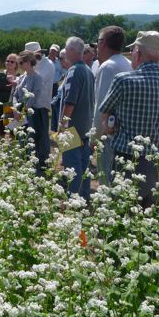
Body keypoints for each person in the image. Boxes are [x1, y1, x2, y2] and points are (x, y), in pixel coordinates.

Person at [100, 31, 159, 209]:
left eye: (133, 50)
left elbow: (105, 114)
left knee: (124, 211)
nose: (132, 54)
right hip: (157, 159)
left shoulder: (124, 80)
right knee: (151, 212)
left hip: (127, 159)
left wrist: (109, 126)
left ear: (138, 53)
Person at [92, 26, 132, 185]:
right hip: (125, 131)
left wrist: (95, 136)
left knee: (106, 177)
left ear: (103, 43)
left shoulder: (108, 66)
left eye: (98, 41)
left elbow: (102, 105)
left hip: (109, 132)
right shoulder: (128, 63)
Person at [60, 36, 95, 201]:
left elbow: (70, 100)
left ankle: (73, 199)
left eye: (66, 49)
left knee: (72, 165)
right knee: (84, 165)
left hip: (73, 126)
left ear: (72, 51)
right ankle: (85, 196)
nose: (65, 53)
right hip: (86, 124)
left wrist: (63, 125)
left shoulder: (74, 70)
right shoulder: (88, 70)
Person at [12, 50, 50, 175]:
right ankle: (24, 166)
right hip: (20, 113)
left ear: (28, 62)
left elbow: (35, 96)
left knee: (32, 141)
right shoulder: (22, 77)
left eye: (21, 63)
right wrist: (15, 109)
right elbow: (15, 95)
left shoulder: (37, 78)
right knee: (22, 140)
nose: (20, 65)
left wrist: (23, 110)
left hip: (32, 115)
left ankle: (35, 169)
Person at [0, 53, 20, 137]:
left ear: (16, 64)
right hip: (0, 105)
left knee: (13, 130)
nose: (9, 63)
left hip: (13, 106)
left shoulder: (20, 77)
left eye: (12, 61)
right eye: (7, 61)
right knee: (1, 130)